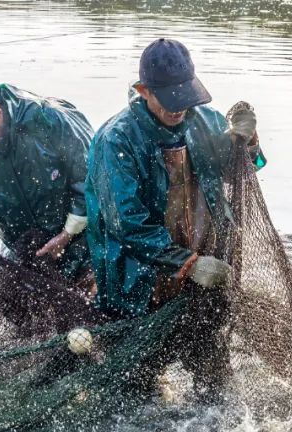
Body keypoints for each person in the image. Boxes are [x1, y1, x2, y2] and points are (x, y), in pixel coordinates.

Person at [84, 39, 264, 319]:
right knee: (142, 359)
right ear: (143, 91)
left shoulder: (206, 120)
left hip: (206, 269)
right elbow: (126, 224)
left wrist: (248, 144)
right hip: (140, 280)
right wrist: (188, 263)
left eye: (184, 97)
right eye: (169, 99)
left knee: (209, 358)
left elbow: (237, 173)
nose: (178, 109)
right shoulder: (117, 140)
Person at [0, 80, 94, 281]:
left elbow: (92, 182)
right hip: (20, 246)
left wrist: (66, 235)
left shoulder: (49, 119)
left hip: (82, 237)